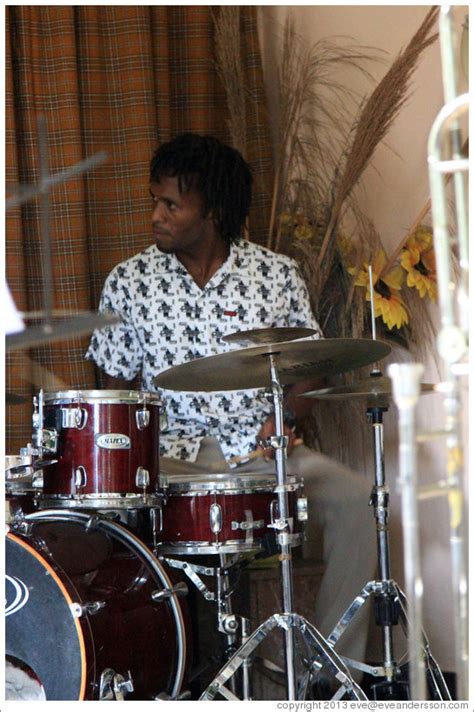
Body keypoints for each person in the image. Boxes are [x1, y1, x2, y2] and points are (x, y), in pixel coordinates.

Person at [86, 133, 376, 687]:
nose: (156, 216)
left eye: (171, 204)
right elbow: (115, 392)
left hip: (263, 454)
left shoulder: (276, 274)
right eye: (155, 201)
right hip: (171, 462)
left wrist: (284, 420)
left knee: (358, 501)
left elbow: (307, 366)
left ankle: (331, 674)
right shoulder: (128, 282)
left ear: (212, 211)